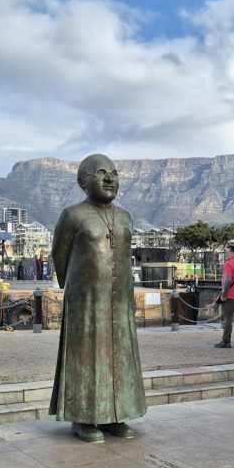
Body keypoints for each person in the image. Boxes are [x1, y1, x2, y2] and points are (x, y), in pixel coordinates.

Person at [49, 154, 147, 442]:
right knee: (87, 356)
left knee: (120, 356)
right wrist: (78, 288)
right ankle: (84, 417)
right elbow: (59, 254)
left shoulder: (125, 216)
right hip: (86, 301)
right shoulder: (72, 215)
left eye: (114, 173)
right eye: (101, 172)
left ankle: (116, 414)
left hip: (120, 301)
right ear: (82, 181)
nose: (109, 178)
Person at [214, 245, 234, 348]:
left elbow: (228, 280)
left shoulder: (228, 264)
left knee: (228, 318)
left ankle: (226, 341)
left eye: (227, 252)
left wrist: (224, 295)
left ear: (233, 252)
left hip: (230, 296)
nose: (226, 254)